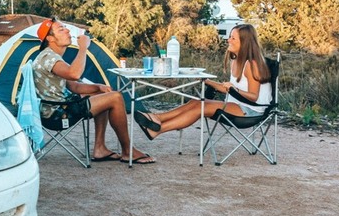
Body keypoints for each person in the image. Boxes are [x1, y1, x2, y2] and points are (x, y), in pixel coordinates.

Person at [32, 18, 155, 164]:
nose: (67, 31)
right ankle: (128, 151)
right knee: (115, 97)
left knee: (102, 94)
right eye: (61, 29)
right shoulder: (48, 57)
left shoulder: (52, 57)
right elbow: (74, 74)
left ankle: (100, 149)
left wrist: (98, 87)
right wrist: (83, 48)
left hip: (58, 108)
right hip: (58, 114)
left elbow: (74, 86)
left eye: (66, 27)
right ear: (50, 38)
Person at [134, 23, 272, 139]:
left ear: (244, 42)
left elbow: (253, 97)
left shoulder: (252, 64)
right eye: (230, 37)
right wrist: (205, 80)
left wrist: (233, 89)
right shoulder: (236, 60)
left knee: (201, 107)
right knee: (195, 102)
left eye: (233, 38)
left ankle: (158, 129)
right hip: (237, 104)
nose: (229, 40)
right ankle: (156, 117)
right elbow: (230, 89)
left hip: (251, 111)